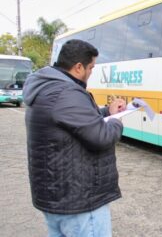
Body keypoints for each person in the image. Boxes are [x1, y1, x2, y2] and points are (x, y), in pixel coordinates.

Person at [23, 39, 126, 237]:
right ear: (78, 67)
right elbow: (102, 137)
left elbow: (77, 119)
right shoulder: (66, 92)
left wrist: (107, 111)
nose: (91, 72)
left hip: (57, 196)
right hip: (79, 201)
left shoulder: (48, 87)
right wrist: (117, 120)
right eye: (91, 67)